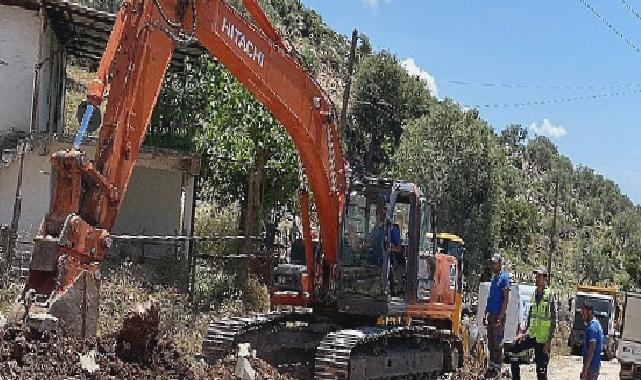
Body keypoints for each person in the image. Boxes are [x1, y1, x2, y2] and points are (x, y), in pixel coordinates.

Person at [507, 267, 556, 380]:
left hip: (543, 340)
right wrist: (522, 332)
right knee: (514, 349)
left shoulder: (549, 296)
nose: (537, 279)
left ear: (545, 279)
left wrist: (549, 342)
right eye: (536, 276)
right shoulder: (534, 293)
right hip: (532, 335)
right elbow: (530, 315)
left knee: (541, 371)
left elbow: (554, 321)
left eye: (539, 276)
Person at [483, 253, 511, 378]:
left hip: (498, 316)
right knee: (491, 341)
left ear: (500, 264)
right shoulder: (494, 279)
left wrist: (501, 315)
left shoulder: (504, 278)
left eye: (495, 263)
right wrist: (486, 313)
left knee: (497, 342)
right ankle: (492, 365)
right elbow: (490, 298)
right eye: (492, 263)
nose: (493, 265)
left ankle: (497, 367)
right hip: (491, 314)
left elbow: (505, 299)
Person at [581, 302, 604, 380]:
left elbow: (591, 350)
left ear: (589, 312)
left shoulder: (592, 328)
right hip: (595, 366)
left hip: (591, 367)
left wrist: (585, 370)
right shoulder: (597, 324)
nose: (582, 316)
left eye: (584, 313)